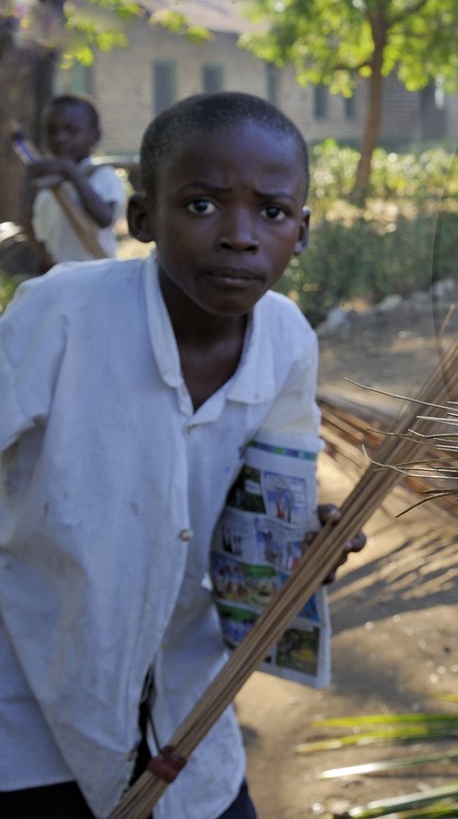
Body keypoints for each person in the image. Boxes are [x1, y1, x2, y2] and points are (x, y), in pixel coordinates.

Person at [0, 91, 357, 819]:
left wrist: (304, 537)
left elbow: (269, 489)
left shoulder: (287, 339)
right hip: (31, 678)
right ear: (141, 219)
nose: (239, 236)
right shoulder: (61, 312)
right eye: (201, 206)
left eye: (273, 212)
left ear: (304, 230)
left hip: (184, 690)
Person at [23, 93, 125, 267]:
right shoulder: (48, 185)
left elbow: (105, 218)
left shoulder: (102, 175)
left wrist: (69, 170)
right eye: (51, 131)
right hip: (62, 279)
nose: (60, 138)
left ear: (95, 136)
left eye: (72, 130)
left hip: (97, 275)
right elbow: (43, 238)